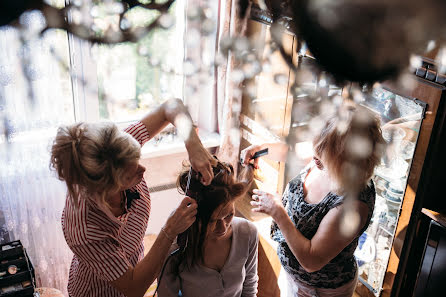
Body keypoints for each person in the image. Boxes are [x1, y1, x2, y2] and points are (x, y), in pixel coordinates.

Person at [50, 98, 217, 297]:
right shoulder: (84, 229)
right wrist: (169, 230)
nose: (142, 170)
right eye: (131, 175)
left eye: (137, 159)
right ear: (105, 190)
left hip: (134, 262)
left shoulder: (115, 150)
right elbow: (134, 287)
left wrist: (194, 145)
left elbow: (171, 107)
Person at [241, 106, 385, 297]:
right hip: (294, 278)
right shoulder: (325, 152)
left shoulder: (352, 205)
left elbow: (311, 261)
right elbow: (289, 150)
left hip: (319, 290)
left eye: (322, 156)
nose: (314, 157)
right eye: (315, 149)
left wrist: (278, 212)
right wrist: (261, 149)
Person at [157, 160, 259, 297]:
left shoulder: (248, 233)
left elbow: (249, 287)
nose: (222, 227)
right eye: (212, 221)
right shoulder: (176, 246)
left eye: (229, 215)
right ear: (194, 214)